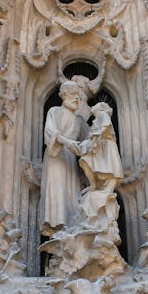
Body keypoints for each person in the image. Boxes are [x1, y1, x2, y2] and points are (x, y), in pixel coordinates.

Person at [40, 81, 86, 235]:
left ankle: (72, 228)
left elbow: (89, 140)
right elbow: (49, 132)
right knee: (58, 190)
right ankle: (58, 226)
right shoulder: (54, 111)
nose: (76, 100)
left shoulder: (79, 121)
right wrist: (67, 142)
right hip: (56, 157)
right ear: (64, 95)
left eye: (79, 97)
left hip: (71, 161)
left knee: (72, 194)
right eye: (73, 95)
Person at [78, 102, 123, 194]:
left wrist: (97, 133)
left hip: (106, 145)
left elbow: (106, 126)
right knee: (85, 161)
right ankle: (94, 184)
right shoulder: (97, 118)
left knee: (111, 166)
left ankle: (108, 189)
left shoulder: (102, 114)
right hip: (98, 146)